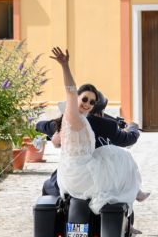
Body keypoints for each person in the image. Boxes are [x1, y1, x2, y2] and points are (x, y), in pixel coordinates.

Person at [50, 47, 148, 213]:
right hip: (82, 177)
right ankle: (136, 193)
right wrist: (65, 65)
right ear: (77, 98)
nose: (87, 104)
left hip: (68, 175)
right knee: (122, 158)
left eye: (92, 102)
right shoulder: (73, 116)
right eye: (84, 99)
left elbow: (54, 142)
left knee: (113, 155)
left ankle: (135, 195)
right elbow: (70, 90)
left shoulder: (75, 119)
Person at [35, 84, 140, 197]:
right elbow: (130, 139)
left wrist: (55, 125)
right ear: (99, 112)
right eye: (85, 100)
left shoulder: (68, 122)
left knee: (47, 186)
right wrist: (133, 127)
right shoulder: (109, 125)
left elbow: (41, 126)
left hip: (70, 179)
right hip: (97, 178)